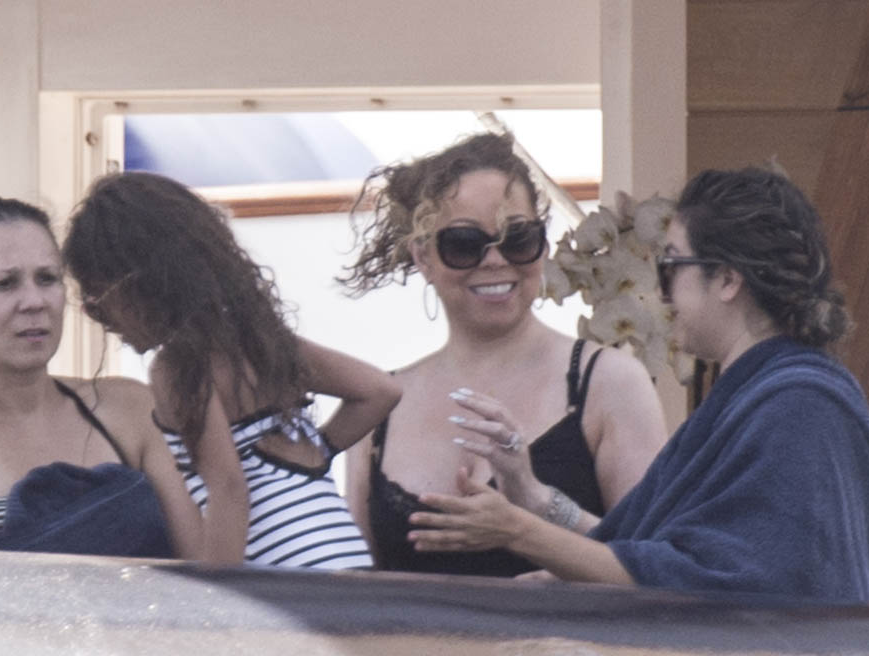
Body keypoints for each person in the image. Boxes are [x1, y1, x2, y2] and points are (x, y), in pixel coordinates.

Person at [408, 166, 869, 601]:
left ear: (728, 279)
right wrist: (533, 499)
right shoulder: (756, 396)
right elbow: (645, 548)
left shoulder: (800, 408)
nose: (662, 294)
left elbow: (715, 583)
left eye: (671, 267)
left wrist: (517, 531)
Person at [338, 132, 668, 576]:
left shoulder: (610, 382)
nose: (494, 261)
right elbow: (357, 586)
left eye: (518, 239)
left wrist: (537, 508)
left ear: (543, 246)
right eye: (463, 243)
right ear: (424, 258)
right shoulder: (381, 406)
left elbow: (653, 565)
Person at [63, 171, 402, 570]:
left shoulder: (176, 369)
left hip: (293, 577)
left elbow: (228, 489)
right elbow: (380, 390)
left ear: (139, 285)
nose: (97, 317)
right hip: (345, 559)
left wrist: (216, 599)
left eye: (96, 298)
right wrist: (316, 452)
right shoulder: (262, 342)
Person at [0, 198, 226, 560]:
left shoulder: (131, 407)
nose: (34, 301)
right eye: (5, 284)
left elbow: (204, 567)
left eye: (47, 279)